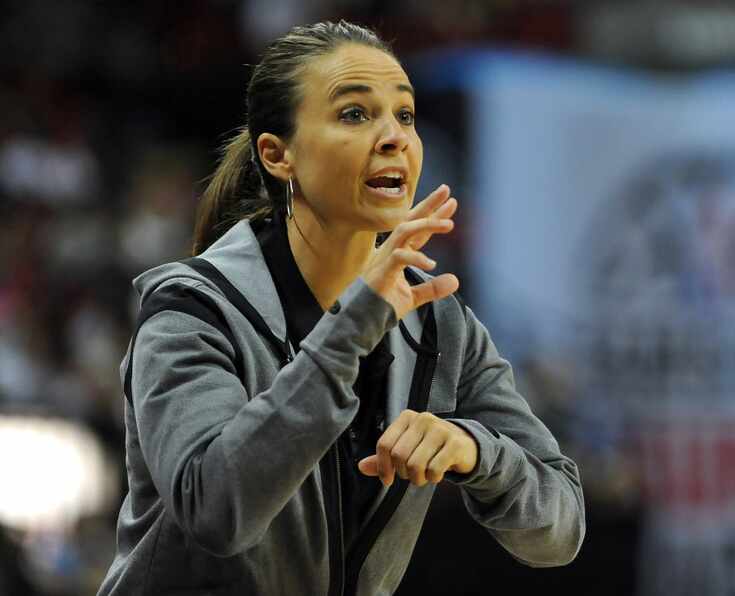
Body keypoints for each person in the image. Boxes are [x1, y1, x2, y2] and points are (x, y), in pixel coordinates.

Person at [98, 20, 585, 596]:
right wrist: (355, 323)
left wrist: (476, 450)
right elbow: (217, 509)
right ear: (279, 156)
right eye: (354, 114)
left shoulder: (438, 325)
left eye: (404, 115)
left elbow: (560, 530)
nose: (394, 137)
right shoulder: (191, 311)